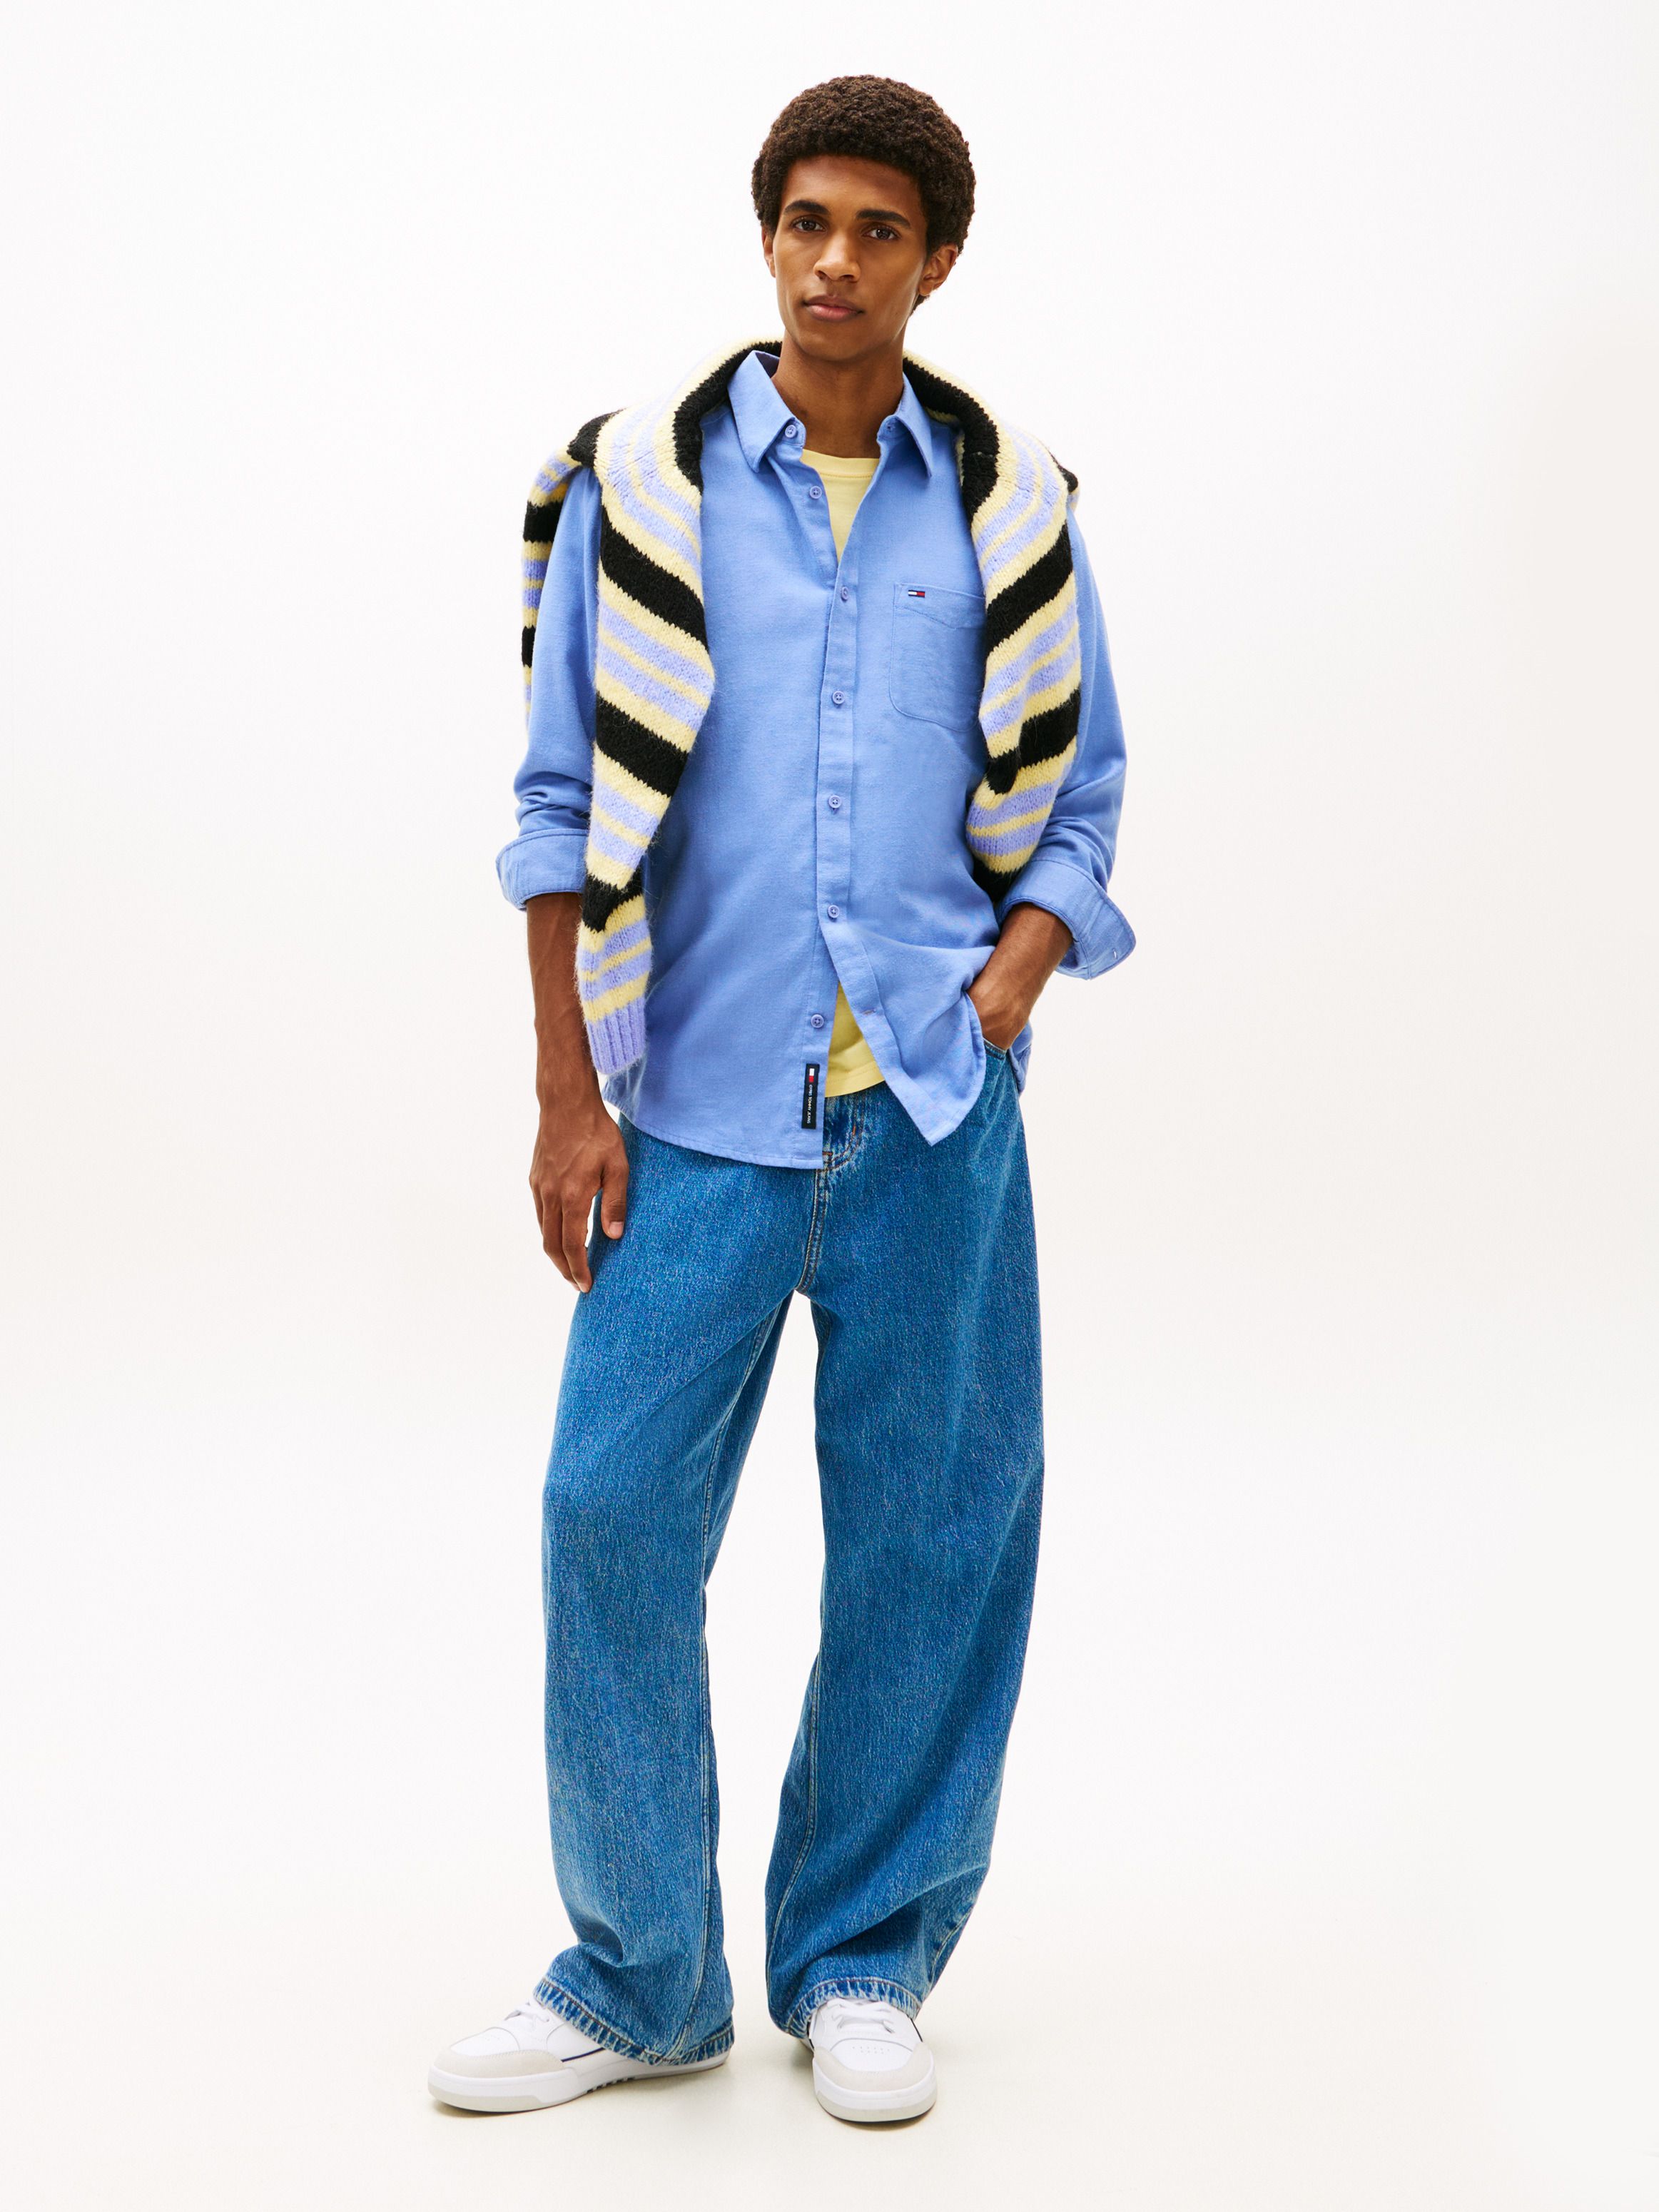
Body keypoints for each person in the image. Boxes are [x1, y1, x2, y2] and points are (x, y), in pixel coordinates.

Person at [429, 73, 1133, 2128]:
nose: (836, 262)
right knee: (609, 1513)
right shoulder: (639, 491)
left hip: (928, 1113)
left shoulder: (1010, 508)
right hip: (692, 1110)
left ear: (935, 262)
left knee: (932, 1534)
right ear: (768, 237)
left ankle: (861, 1957)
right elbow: (554, 805)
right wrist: (567, 1096)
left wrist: (1006, 986)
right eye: (807, 221)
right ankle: (643, 1973)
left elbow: (1081, 799)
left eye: (878, 232)